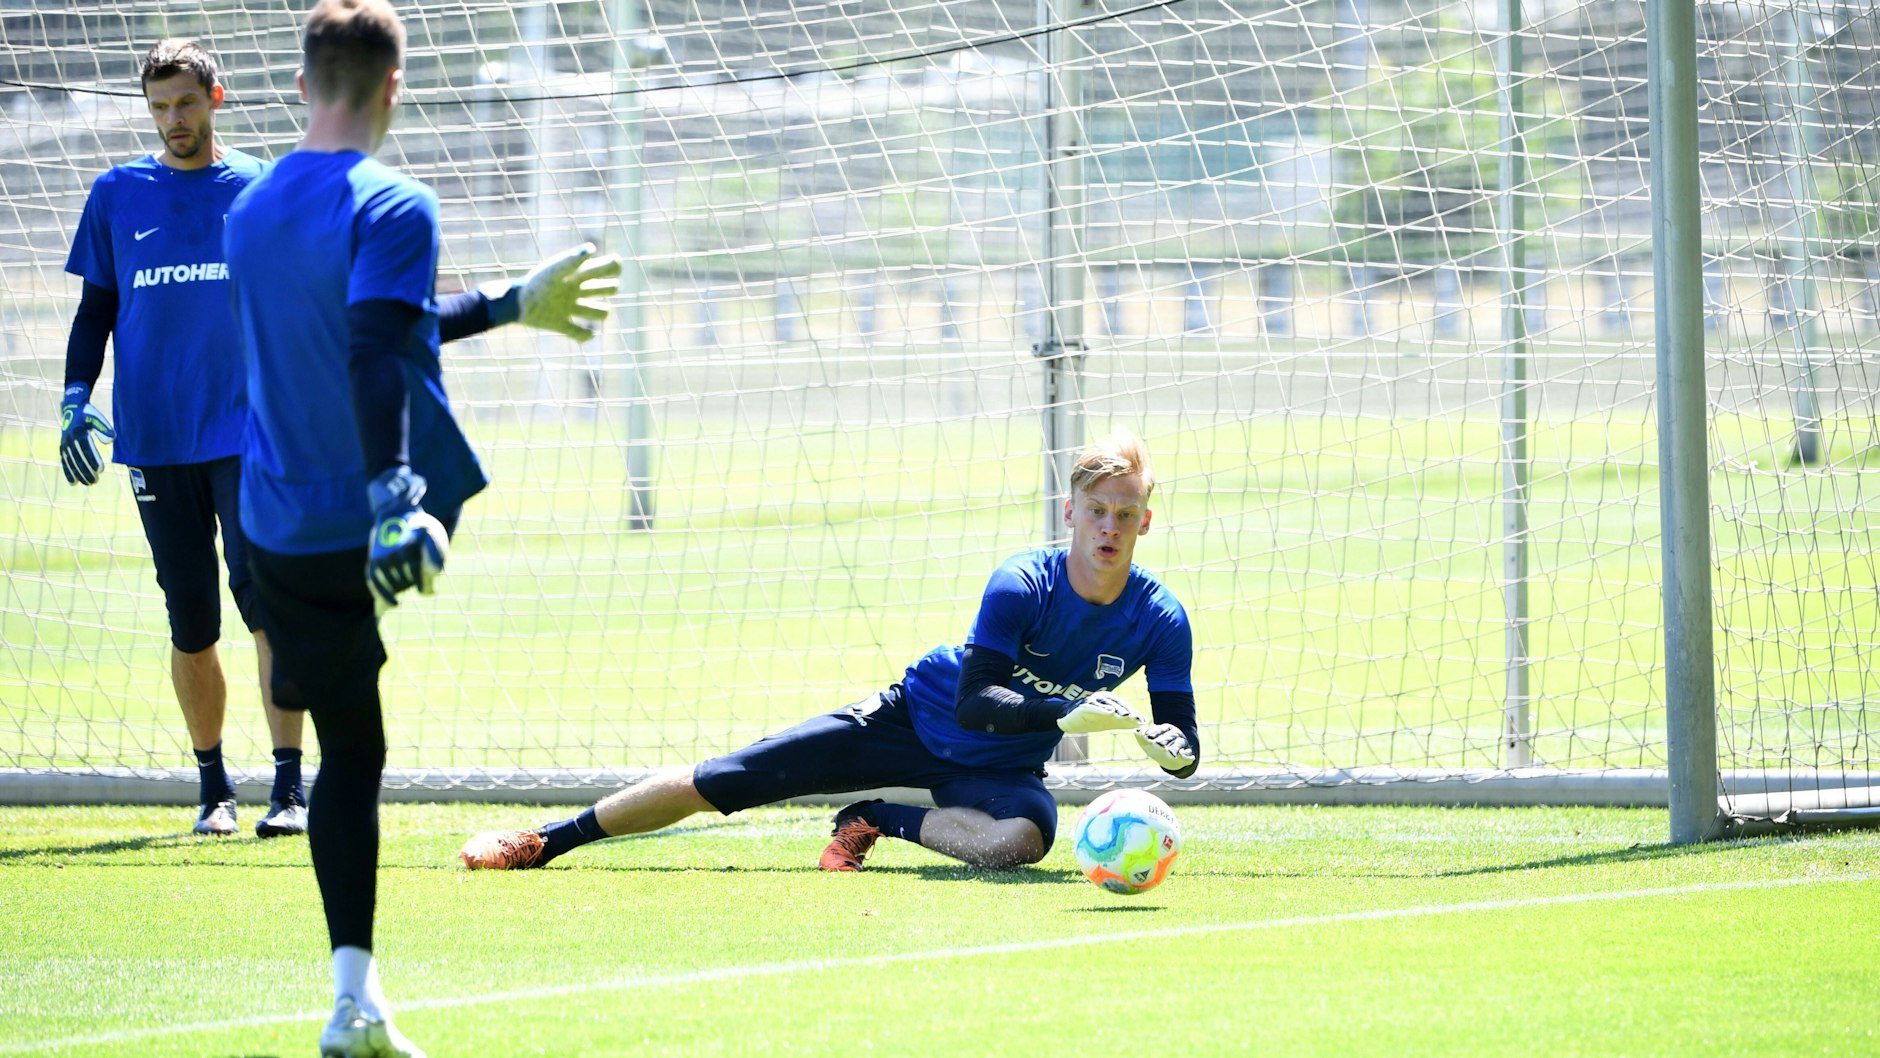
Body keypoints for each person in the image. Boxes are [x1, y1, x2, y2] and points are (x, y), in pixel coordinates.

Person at [222, 1, 620, 1054]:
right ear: (393, 88)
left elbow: (375, 322)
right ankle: (352, 1005)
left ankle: (356, 991)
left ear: (305, 85)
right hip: (355, 515)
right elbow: (371, 350)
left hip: (272, 523)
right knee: (357, 748)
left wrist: (504, 303)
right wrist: (399, 490)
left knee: (335, 711)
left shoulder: (248, 208)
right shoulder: (396, 200)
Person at [460, 430, 1200, 875]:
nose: (1109, 527)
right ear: (1071, 512)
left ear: (1145, 522)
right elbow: (978, 700)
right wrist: (1066, 714)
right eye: (1097, 511)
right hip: (912, 719)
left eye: (1125, 514)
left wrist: (1169, 753)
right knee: (728, 777)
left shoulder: (1161, 617)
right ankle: (543, 841)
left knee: (1021, 844)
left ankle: (876, 815)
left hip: (999, 769)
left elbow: (1185, 745)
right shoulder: (1021, 583)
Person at [61, 39, 310, 838]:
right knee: (191, 619)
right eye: (160, 107)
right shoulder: (116, 194)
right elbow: (96, 310)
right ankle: (214, 790)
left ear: (216, 100)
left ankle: (289, 790)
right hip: (156, 439)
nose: (174, 120)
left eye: (186, 104)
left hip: (249, 436)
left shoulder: (262, 188)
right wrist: (74, 397)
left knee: (265, 600)